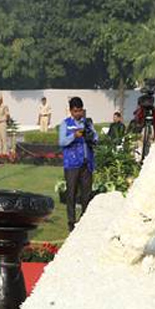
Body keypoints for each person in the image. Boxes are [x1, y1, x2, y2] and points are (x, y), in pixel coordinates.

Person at [59, 97, 97, 231]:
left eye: (80, 111)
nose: (78, 114)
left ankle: (84, 221)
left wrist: (90, 135)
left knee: (86, 194)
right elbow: (62, 142)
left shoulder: (87, 123)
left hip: (86, 164)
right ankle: (71, 222)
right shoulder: (65, 124)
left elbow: (96, 138)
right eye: (75, 111)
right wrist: (74, 136)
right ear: (70, 111)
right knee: (71, 194)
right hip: (71, 164)